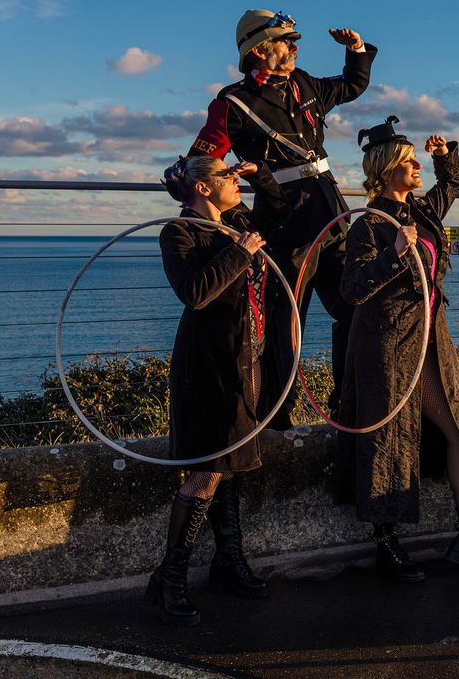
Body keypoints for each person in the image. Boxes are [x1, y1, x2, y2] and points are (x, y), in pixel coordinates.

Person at [338, 116, 459, 582]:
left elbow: (451, 182)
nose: (417, 165)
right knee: (387, 443)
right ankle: (387, 544)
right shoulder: (368, 224)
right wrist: (394, 253)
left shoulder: (423, 211)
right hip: (387, 344)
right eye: (411, 161)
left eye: (419, 160)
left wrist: (443, 157)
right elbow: (352, 287)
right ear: (387, 168)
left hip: (432, 340)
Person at [189, 9, 377, 428]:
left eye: (294, 41)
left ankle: (347, 401)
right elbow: (202, 161)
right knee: (286, 324)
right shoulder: (232, 104)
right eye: (285, 41)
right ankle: (279, 417)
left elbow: (351, 85)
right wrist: (197, 190)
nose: (294, 47)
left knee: (354, 307)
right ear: (259, 50)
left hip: (332, 214)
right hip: (285, 218)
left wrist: (356, 50)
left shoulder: (305, 83)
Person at [146, 155, 289, 626]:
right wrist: (240, 252)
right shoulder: (180, 232)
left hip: (245, 358)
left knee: (230, 466)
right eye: (226, 176)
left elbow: (278, 207)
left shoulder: (239, 222)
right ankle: (171, 576)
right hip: (206, 364)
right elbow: (195, 293)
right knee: (208, 468)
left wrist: (258, 174)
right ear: (203, 188)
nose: (234, 181)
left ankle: (228, 560)